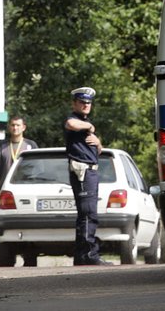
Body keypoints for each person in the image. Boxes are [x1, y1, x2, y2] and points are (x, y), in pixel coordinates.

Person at [64, 86, 112, 266]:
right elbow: (70, 124)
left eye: (88, 103)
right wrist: (90, 126)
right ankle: (89, 255)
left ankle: (81, 256)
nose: (86, 105)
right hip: (82, 171)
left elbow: (97, 150)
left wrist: (98, 143)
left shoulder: (84, 123)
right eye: (82, 102)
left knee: (86, 214)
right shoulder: (75, 120)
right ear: (74, 103)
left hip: (90, 170)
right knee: (88, 214)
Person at [0, 116, 38, 188]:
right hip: (6, 188)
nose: (15, 128)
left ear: (23, 127)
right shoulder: (2, 146)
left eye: (18, 125)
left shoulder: (31, 145)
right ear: (9, 127)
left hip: (26, 187)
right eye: (13, 125)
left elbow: (38, 166)